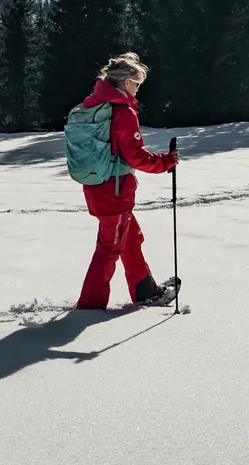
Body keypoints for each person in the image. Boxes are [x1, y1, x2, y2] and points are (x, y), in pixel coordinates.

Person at [75, 53, 178, 310]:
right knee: (108, 250)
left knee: (130, 239)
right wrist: (166, 161)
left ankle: (146, 290)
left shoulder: (93, 106)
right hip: (115, 192)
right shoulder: (122, 112)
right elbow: (136, 156)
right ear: (126, 82)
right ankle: (89, 308)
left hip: (97, 186)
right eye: (137, 84)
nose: (138, 89)